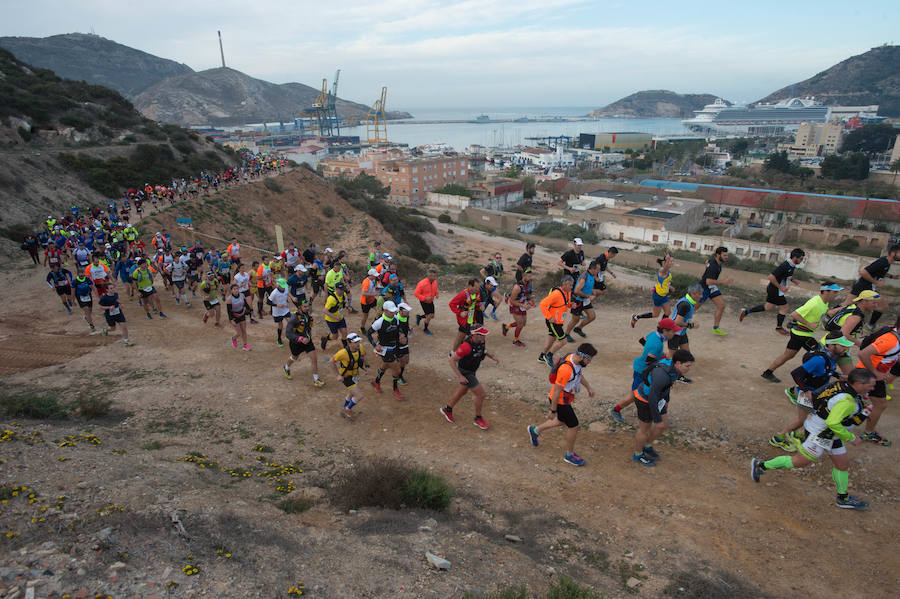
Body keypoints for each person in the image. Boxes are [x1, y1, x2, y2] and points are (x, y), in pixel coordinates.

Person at [751, 368, 877, 510]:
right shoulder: (847, 401)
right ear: (859, 383)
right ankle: (761, 465)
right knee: (799, 462)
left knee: (842, 465)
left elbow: (818, 396)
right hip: (820, 434)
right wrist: (851, 437)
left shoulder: (842, 385)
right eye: (870, 385)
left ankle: (843, 497)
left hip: (830, 433)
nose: (873, 388)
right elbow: (833, 422)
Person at [769, 333, 855, 451]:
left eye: (846, 346)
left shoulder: (833, 357)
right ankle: (779, 438)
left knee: (811, 418)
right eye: (842, 346)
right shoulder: (819, 360)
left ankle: (798, 436)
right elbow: (796, 373)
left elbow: (825, 370)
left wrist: (838, 375)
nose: (846, 349)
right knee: (803, 420)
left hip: (817, 393)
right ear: (830, 345)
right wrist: (805, 390)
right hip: (808, 394)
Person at [527, 343, 598, 466]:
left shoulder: (573, 358)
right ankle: (569, 455)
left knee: (561, 421)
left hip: (564, 398)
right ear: (581, 357)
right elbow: (556, 391)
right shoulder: (566, 370)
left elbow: (579, 375)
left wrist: (588, 387)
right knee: (574, 425)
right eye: (588, 359)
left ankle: (535, 430)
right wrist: (553, 410)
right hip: (560, 400)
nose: (589, 362)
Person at [761, 283, 843, 383]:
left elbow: (823, 311)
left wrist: (836, 310)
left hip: (798, 333)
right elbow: (794, 314)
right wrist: (809, 324)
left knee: (788, 355)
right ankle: (810, 379)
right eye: (835, 292)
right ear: (826, 291)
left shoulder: (823, 302)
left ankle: (768, 372)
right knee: (821, 355)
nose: (837, 295)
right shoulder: (815, 303)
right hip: (803, 335)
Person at [610, 318, 683, 424]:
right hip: (642, 372)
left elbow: (642, 340)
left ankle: (660, 415)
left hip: (642, 369)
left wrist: (654, 352)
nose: (674, 333)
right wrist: (661, 359)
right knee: (635, 396)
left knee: (655, 394)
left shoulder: (654, 334)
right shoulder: (657, 344)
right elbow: (649, 361)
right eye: (672, 331)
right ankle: (615, 410)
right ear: (665, 331)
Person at [631, 349, 695, 466]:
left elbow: (667, 387)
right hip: (644, 400)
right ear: (678, 363)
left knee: (664, 425)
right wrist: (657, 419)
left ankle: (647, 445)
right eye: (687, 366)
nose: (689, 369)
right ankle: (638, 454)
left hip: (658, 399)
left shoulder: (675, 368)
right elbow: (652, 398)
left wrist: (666, 400)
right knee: (644, 430)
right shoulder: (662, 375)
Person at [852, 318, 900, 446]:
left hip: (869, 373)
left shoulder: (895, 335)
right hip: (867, 374)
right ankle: (868, 432)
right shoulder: (891, 340)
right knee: (880, 404)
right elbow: (863, 354)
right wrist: (875, 372)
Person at [442, 326, 499, 430]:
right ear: (475, 335)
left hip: (472, 370)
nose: (484, 336)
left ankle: (448, 409)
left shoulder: (481, 340)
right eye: (482, 334)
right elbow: (451, 360)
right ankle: (478, 418)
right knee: (481, 395)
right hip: (466, 372)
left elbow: (483, 350)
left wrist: (491, 356)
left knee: (462, 392)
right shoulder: (466, 346)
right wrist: (460, 376)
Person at [739, 248, 806, 335]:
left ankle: (746, 312)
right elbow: (770, 277)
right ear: (795, 257)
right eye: (801, 258)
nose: (802, 260)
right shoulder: (785, 265)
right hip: (775, 290)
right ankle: (779, 327)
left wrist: (793, 280)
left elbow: (786, 275)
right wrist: (781, 287)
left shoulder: (792, 265)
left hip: (774, 289)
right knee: (784, 308)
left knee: (768, 307)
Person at [822, 289, 879, 374]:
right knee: (851, 376)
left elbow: (830, 312)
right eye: (873, 302)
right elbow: (843, 334)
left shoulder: (850, 307)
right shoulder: (856, 316)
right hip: (835, 347)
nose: (876, 305)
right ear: (864, 301)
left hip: (830, 343)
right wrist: (859, 343)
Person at [846, 244, 900, 331]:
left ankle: (829, 316)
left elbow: (879, 272)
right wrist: (876, 282)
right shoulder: (882, 262)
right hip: (864, 286)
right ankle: (869, 326)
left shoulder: (887, 263)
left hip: (865, 287)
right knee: (882, 305)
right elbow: (863, 272)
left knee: (848, 305)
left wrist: (892, 277)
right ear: (893, 253)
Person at [366, 301, 406, 400]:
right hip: (385, 349)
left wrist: (401, 334)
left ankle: (376, 381)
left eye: (394, 311)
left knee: (385, 365)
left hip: (394, 347)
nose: (393, 313)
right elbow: (368, 333)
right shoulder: (379, 322)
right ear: (385, 310)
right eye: (391, 311)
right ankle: (395, 389)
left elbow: (398, 328)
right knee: (397, 369)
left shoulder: (396, 318)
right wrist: (375, 345)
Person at [283, 298, 323, 385]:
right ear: (299, 307)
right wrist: (300, 339)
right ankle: (286, 367)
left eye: (308, 306)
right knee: (295, 357)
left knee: (314, 359)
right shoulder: (293, 318)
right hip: (296, 343)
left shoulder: (307, 315)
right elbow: (288, 334)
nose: (307, 308)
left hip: (307, 341)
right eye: (305, 307)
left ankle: (316, 380)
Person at [537, 276, 574, 367]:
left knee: (552, 339)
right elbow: (542, 304)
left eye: (572, 285)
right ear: (564, 284)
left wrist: (571, 305)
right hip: (553, 322)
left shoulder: (568, 293)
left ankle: (542, 356)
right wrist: (549, 317)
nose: (571, 287)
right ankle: (549, 356)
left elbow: (565, 304)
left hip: (559, 321)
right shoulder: (556, 294)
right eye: (570, 285)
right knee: (563, 341)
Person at [695, 246, 733, 335]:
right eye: (724, 255)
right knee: (693, 308)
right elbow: (708, 281)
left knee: (721, 305)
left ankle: (716, 328)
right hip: (704, 288)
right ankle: (677, 322)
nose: (726, 257)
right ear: (718, 255)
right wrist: (723, 282)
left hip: (712, 287)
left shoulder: (716, 262)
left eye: (727, 255)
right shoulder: (714, 266)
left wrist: (707, 265)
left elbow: (708, 262)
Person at [330, 333, 367, 420]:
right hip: (346, 377)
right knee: (359, 396)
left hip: (355, 374)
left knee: (351, 393)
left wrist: (367, 366)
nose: (358, 343)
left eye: (358, 341)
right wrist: (337, 375)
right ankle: (347, 409)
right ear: (349, 343)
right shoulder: (342, 353)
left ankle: (344, 408)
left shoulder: (360, 348)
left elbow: (364, 355)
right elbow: (331, 362)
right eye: (355, 342)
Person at [631, 252, 674, 326]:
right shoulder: (662, 271)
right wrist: (667, 259)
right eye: (670, 261)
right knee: (655, 315)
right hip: (658, 295)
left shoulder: (667, 272)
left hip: (664, 295)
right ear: (665, 262)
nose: (672, 263)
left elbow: (663, 282)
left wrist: (670, 287)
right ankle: (636, 317)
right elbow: (665, 267)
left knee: (668, 312)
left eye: (672, 261)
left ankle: (662, 327)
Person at [564, 260, 600, 341]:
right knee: (575, 319)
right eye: (598, 269)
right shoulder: (584, 276)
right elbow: (576, 291)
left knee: (592, 316)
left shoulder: (592, 275)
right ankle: (566, 334)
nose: (599, 271)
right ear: (593, 269)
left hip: (585, 300)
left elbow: (589, 287)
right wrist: (588, 296)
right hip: (577, 300)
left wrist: (593, 293)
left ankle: (578, 329)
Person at [502, 268, 533, 347]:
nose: (530, 278)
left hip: (522, 305)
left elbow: (528, 294)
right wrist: (523, 305)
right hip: (515, 305)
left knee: (523, 323)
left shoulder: (529, 283)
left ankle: (506, 326)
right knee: (520, 324)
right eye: (528, 276)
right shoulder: (517, 287)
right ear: (524, 276)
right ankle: (515, 341)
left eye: (531, 276)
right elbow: (512, 301)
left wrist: (530, 301)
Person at [448, 279, 481, 351]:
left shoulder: (477, 292)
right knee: (461, 337)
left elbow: (476, 302)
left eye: (478, 287)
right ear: (470, 286)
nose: (478, 289)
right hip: (463, 320)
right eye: (476, 287)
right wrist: (460, 313)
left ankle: (463, 351)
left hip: (472, 318)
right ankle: (453, 353)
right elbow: (451, 304)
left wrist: (479, 306)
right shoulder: (463, 294)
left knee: (469, 336)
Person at [320, 282, 349, 350]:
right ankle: (325, 339)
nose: (342, 291)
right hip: (331, 320)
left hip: (340, 318)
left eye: (343, 289)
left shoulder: (344, 295)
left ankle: (346, 348)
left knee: (345, 333)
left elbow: (343, 303)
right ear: (336, 289)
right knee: (335, 336)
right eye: (341, 289)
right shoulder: (331, 299)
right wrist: (335, 317)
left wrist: (348, 307)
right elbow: (324, 310)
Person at [225, 283, 251, 351]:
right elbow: (229, 311)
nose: (236, 290)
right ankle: (233, 338)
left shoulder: (242, 295)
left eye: (237, 289)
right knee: (238, 333)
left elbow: (246, 304)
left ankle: (245, 345)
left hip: (241, 314)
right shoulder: (229, 299)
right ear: (231, 291)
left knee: (244, 331)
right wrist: (231, 320)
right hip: (234, 316)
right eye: (234, 289)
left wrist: (249, 311)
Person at [414, 268, 439, 335]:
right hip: (424, 301)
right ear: (428, 276)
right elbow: (416, 293)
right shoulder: (422, 283)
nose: (434, 278)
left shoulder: (435, 281)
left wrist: (436, 293)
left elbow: (435, 288)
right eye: (432, 276)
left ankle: (419, 317)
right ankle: (425, 329)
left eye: (435, 276)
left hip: (430, 301)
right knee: (428, 316)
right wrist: (424, 298)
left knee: (432, 316)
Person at [268, 278, 292, 347]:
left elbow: (285, 295)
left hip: (285, 309)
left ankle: (289, 335)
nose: (284, 287)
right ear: (278, 285)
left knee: (290, 321)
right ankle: (279, 339)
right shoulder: (274, 292)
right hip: (277, 311)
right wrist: (277, 305)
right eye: (282, 286)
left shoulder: (286, 288)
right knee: (280, 325)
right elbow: (268, 302)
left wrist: (287, 301)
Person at [480, 253, 504, 320]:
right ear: (494, 258)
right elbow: (481, 271)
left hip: (494, 284)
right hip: (490, 285)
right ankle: (492, 312)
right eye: (497, 257)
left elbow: (501, 273)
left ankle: (483, 311)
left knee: (489, 298)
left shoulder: (500, 265)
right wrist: (487, 279)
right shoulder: (490, 265)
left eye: (500, 258)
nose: (498, 259)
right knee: (500, 298)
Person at [359, 268, 380, 333]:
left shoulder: (373, 280)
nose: (375, 276)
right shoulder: (366, 282)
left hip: (372, 299)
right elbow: (363, 293)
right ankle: (362, 328)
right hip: (365, 302)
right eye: (374, 275)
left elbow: (373, 287)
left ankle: (375, 322)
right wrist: (373, 294)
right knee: (365, 315)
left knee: (379, 310)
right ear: (370, 275)